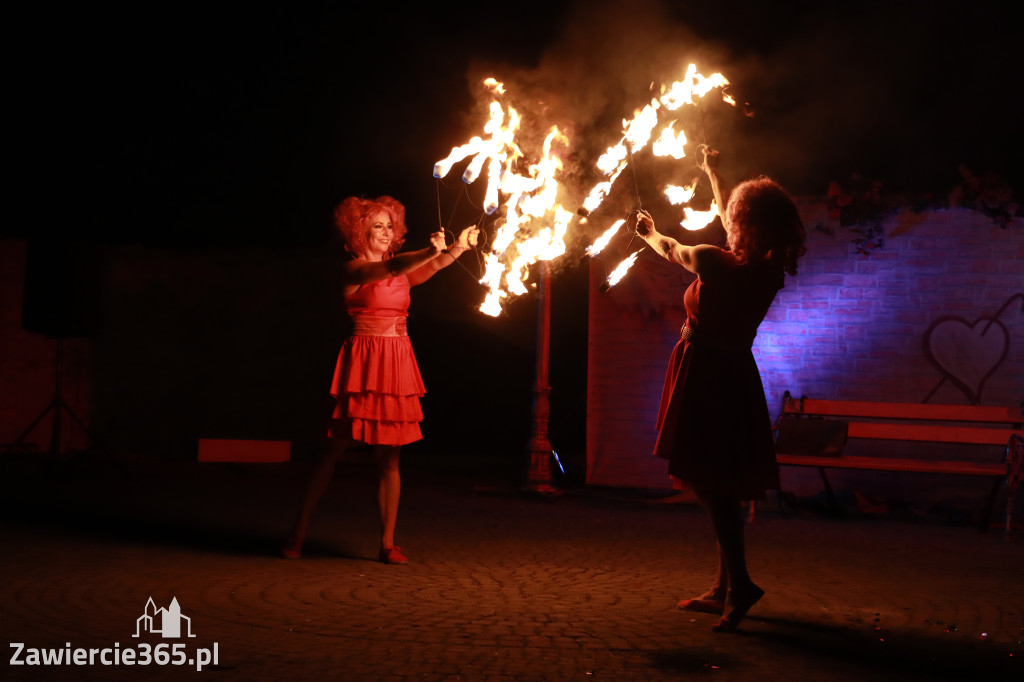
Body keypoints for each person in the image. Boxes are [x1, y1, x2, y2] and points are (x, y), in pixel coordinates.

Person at [633, 147, 806, 631]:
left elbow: (672, 249)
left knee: (712, 482)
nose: (726, 216)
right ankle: (724, 586)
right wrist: (713, 172)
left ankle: (742, 585)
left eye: (734, 214)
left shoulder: (714, 261)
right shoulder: (767, 268)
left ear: (743, 224)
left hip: (707, 373)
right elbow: (727, 216)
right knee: (718, 480)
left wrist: (649, 234)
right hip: (733, 373)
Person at [283, 195, 478, 565]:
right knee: (332, 453)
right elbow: (391, 271)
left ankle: (388, 543)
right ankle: (298, 530)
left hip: (397, 360)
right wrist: (429, 249)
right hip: (363, 362)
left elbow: (430, 267)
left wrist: (458, 247)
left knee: (390, 460)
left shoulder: (402, 267)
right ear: (360, 233)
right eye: (378, 226)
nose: (387, 233)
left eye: (390, 226)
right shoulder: (354, 269)